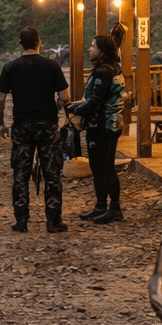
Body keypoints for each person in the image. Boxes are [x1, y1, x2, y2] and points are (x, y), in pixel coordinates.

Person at [0, 25, 69, 233]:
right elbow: (65, 97)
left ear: (20, 44)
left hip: (22, 126)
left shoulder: (10, 67)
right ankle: (54, 220)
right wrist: (57, 110)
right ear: (39, 42)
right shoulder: (52, 66)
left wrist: (1, 123)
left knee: (20, 174)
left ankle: (21, 221)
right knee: (52, 173)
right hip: (47, 125)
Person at [69, 34, 125, 223]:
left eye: (93, 46)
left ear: (102, 51)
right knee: (104, 167)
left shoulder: (102, 72)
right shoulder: (113, 69)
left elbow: (95, 102)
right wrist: (77, 105)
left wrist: (76, 110)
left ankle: (113, 208)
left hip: (101, 125)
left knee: (103, 168)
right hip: (111, 123)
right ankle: (101, 206)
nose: (89, 49)